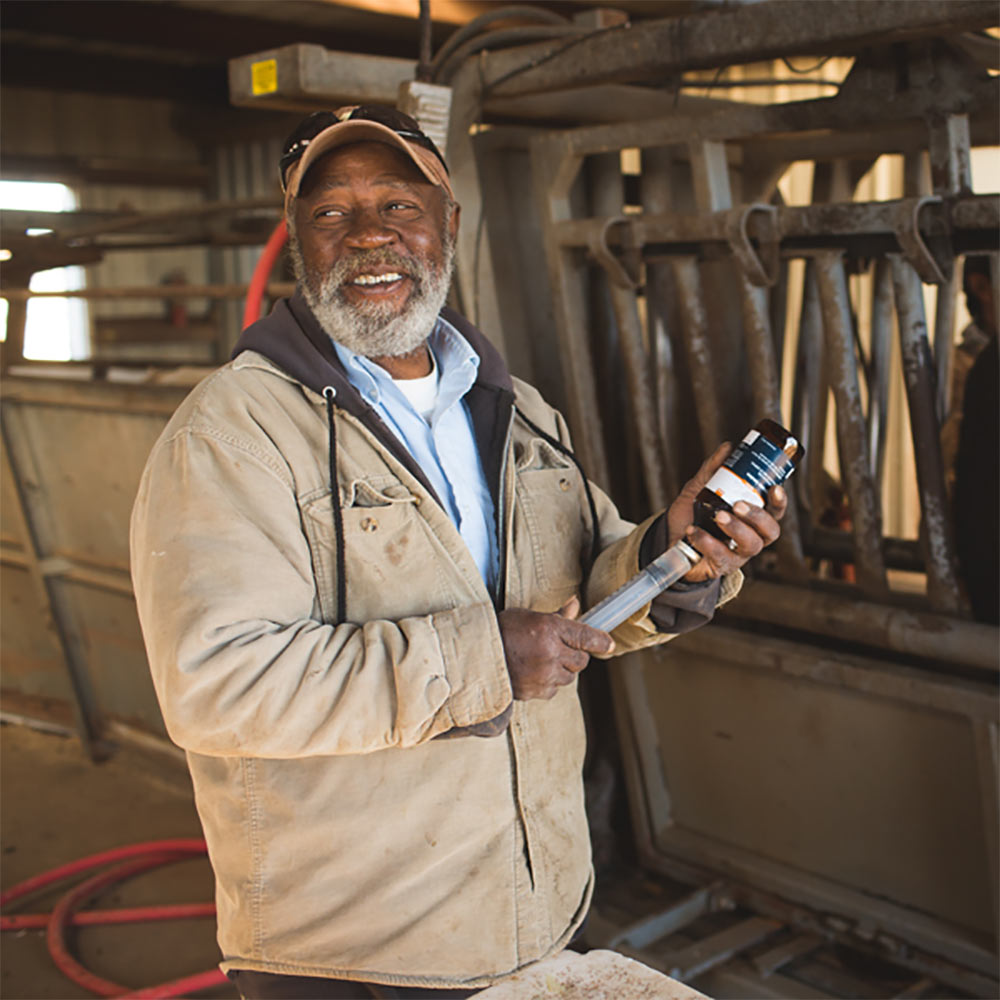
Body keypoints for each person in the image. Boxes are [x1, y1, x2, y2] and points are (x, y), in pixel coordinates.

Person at [130, 106, 786, 1000]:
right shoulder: (233, 434)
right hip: (356, 953)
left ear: (449, 224)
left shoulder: (518, 413)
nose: (369, 236)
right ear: (298, 242)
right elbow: (216, 686)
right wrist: (482, 658)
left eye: (400, 206)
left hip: (535, 906)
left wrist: (678, 556)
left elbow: (585, 602)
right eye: (331, 214)